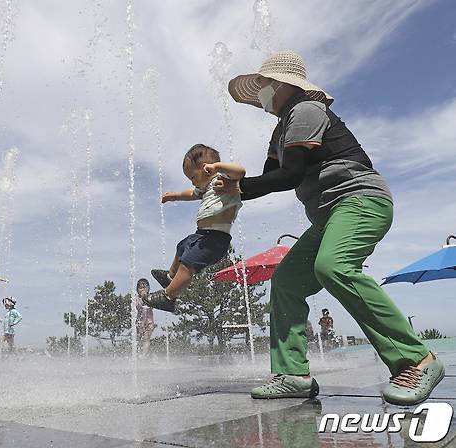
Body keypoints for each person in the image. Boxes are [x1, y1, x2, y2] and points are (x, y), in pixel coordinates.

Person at [225, 51, 443, 405]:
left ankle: (417, 360)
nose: (260, 92)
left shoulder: (306, 110)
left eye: (263, 85)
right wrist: (220, 194)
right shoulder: (282, 129)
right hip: (330, 216)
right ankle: (293, 373)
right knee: (287, 281)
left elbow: (291, 175)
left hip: (361, 200)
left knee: (334, 266)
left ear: (281, 85)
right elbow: (269, 178)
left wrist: (238, 189)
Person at [145, 144, 246, 312]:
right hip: (201, 236)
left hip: (216, 239)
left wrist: (217, 166)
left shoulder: (223, 180)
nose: (192, 181)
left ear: (205, 168)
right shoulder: (204, 188)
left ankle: (168, 296)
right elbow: (191, 194)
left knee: (188, 264)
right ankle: (171, 277)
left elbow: (240, 171)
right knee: (182, 246)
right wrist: (175, 196)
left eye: (192, 176)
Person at [135, 278, 155, 357]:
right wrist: (142, 299)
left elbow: (153, 306)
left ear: (148, 289)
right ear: (137, 289)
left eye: (144, 287)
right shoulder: (136, 298)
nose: (142, 289)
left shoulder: (150, 297)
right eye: (140, 288)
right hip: (139, 322)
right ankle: (137, 353)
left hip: (149, 322)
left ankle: (144, 355)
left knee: (146, 338)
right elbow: (137, 307)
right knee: (139, 338)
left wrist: (146, 298)